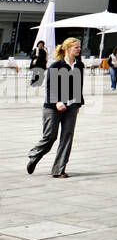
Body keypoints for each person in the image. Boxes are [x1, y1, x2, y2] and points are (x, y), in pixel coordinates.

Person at [26, 37, 85, 178]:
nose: (79, 49)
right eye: (76, 47)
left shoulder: (79, 65)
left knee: (67, 136)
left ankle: (59, 170)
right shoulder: (56, 65)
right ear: (67, 48)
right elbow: (50, 87)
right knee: (50, 136)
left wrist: (78, 104)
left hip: (71, 106)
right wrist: (57, 102)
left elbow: (78, 85)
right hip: (53, 107)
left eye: (79, 47)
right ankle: (34, 155)